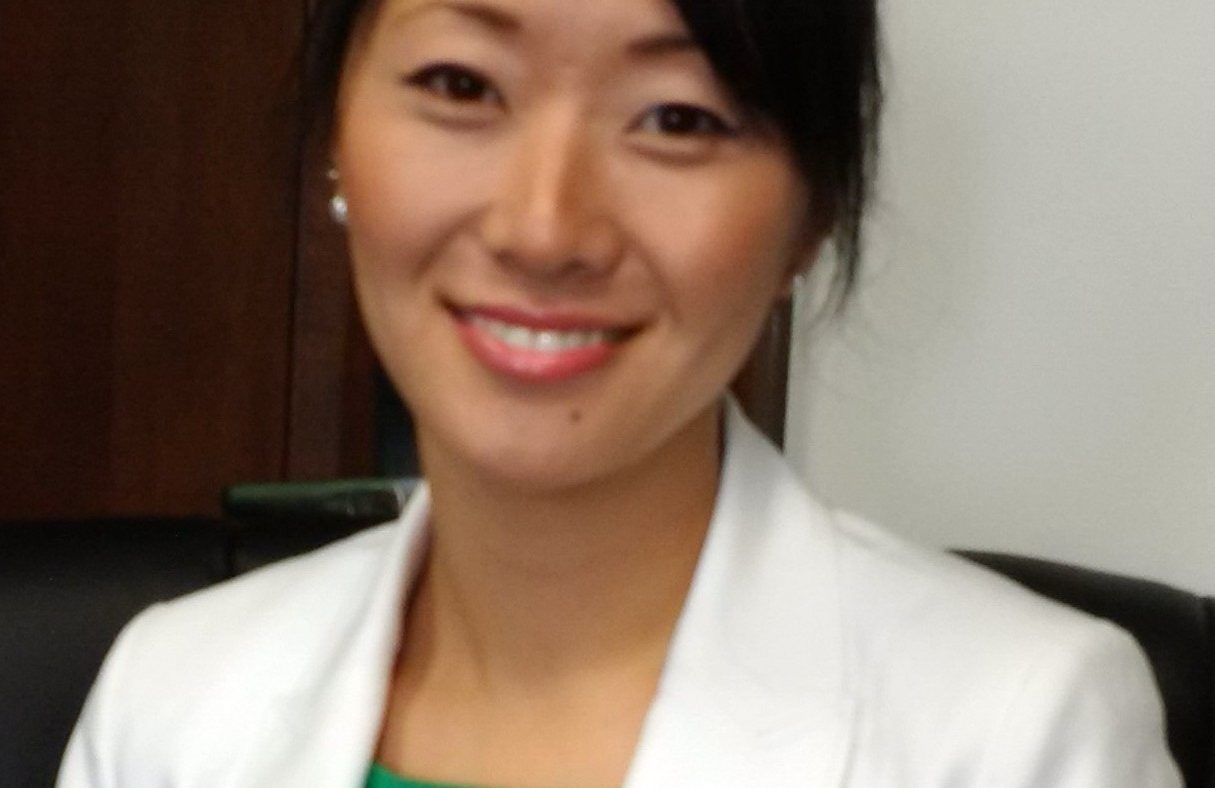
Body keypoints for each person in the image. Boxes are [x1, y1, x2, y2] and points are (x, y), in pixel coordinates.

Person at [59, 0, 1180, 785]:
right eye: (460, 85)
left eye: (677, 118)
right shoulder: (172, 695)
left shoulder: (1015, 731)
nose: (544, 228)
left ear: (812, 216)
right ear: (339, 138)